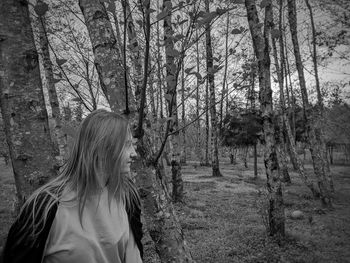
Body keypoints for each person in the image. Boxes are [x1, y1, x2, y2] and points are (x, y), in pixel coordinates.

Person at [2, 109, 143, 263]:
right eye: (127, 145)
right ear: (102, 148)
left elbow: (133, 253)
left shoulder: (126, 194)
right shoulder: (45, 206)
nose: (134, 153)